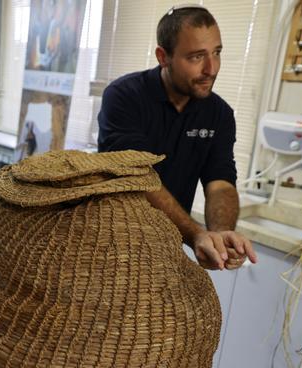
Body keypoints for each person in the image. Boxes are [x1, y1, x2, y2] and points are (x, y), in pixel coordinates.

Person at [98, 4, 257, 271]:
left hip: (163, 250)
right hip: (109, 243)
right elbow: (138, 178)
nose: (211, 68)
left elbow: (220, 182)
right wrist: (195, 235)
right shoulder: (124, 97)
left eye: (216, 53)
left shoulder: (219, 114)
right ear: (163, 56)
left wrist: (220, 234)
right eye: (196, 57)